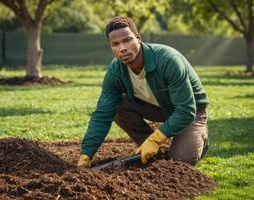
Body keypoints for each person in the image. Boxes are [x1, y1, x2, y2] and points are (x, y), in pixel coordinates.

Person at [78, 16, 209, 167]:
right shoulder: (115, 71)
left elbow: (186, 110)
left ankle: (197, 137)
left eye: (127, 40)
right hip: (156, 108)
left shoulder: (168, 60)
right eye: (115, 44)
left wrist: (156, 139)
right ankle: (149, 144)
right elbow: (102, 114)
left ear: (138, 38)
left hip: (190, 111)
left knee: (181, 160)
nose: (122, 48)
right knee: (116, 105)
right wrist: (86, 154)